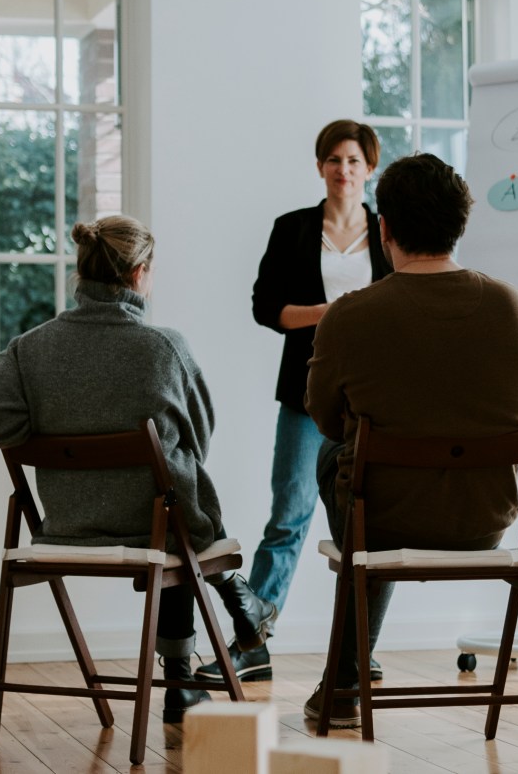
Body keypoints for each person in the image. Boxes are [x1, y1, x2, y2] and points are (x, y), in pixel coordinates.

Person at [0, 215, 276, 723]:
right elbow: (200, 436)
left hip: (67, 526)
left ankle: (210, 641)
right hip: (159, 525)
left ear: (82, 274)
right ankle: (184, 675)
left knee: (170, 499)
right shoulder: (164, 347)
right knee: (173, 499)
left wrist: (47, 431)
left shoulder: (31, 348)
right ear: (139, 275)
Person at [300, 153, 518, 728]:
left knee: (341, 459)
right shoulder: (517, 307)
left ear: (383, 230)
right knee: (359, 473)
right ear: (461, 225)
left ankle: (344, 683)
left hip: (383, 519)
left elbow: (325, 419)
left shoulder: (351, 315)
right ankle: (342, 679)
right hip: (484, 521)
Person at [196, 120, 392, 685]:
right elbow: (266, 307)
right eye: (333, 159)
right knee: (289, 516)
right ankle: (251, 643)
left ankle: (361, 648)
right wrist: (329, 313)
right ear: (319, 166)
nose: (343, 170)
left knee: (364, 526)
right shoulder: (294, 229)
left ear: (369, 168)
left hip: (373, 400)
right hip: (307, 393)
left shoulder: (387, 232)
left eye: (353, 160)